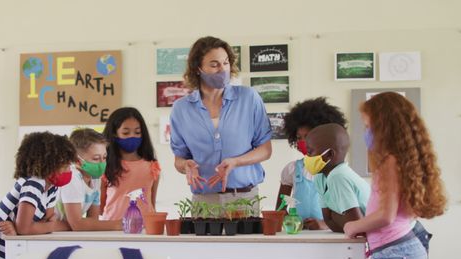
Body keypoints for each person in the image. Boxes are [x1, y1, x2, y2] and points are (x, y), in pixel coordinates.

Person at [344, 92, 446, 259]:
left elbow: (385, 216)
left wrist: (354, 226)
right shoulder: (401, 161)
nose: (366, 133)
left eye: (368, 126)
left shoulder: (389, 162)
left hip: (396, 256)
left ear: (384, 126)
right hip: (404, 252)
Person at [170, 36, 272, 213]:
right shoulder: (181, 109)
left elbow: (265, 150)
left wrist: (236, 162)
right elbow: (179, 158)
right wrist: (185, 165)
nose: (223, 69)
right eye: (214, 64)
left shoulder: (249, 98)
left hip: (244, 199)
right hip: (203, 202)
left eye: (226, 63)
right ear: (198, 68)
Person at [0, 131, 76, 259]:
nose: (68, 170)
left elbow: (47, 219)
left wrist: (25, 227)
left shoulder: (52, 187)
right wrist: (61, 225)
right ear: (47, 163)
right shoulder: (33, 184)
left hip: (9, 256)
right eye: (64, 166)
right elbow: (27, 228)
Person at [276, 98, 348, 228]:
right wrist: (290, 221)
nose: (303, 142)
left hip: (330, 234)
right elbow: (280, 209)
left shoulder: (336, 171)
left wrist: (324, 224)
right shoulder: (291, 169)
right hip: (300, 235)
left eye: (308, 136)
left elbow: (348, 213)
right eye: (299, 138)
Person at [304, 123, 370, 233]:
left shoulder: (338, 176)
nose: (307, 157)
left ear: (329, 154)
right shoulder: (320, 178)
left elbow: (358, 228)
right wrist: (338, 218)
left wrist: (334, 216)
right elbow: (329, 222)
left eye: (310, 152)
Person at [54, 128, 121, 230]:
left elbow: (93, 221)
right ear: (77, 160)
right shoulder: (72, 177)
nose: (102, 163)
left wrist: (83, 224)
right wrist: (119, 225)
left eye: (104, 157)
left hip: (63, 232)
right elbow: (78, 225)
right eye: (96, 158)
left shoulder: (95, 178)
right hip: (47, 235)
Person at [100, 107, 160, 220]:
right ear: (114, 134)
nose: (132, 136)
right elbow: (100, 205)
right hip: (113, 229)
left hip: (145, 229)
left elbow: (152, 203)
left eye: (137, 132)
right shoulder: (106, 165)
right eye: (126, 132)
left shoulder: (152, 165)